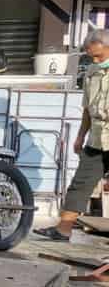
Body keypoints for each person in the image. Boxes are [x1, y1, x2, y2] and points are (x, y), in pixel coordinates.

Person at [35, 28, 109, 242]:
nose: (95, 60)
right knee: (81, 183)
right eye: (91, 56)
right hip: (96, 139)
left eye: (98, 55)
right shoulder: (92, 72)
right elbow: (87, 108)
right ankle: (63, 230)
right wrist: (80, 136)